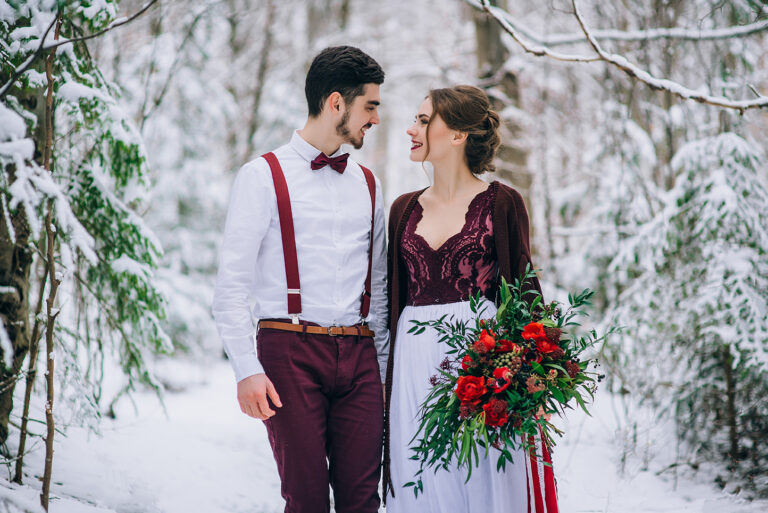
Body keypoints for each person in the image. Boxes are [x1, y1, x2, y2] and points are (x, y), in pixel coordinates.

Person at [212, 45, 389, 513]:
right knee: (307, 499)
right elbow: (231, 287)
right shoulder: (261, 176)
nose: (374, 118)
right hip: (288, 350)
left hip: (359, 355)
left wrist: (385, 371)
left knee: (362, 500)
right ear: (337, 103)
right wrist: (246, 369)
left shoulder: (369, 184)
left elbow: (382, 290)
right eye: (369, 105)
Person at [383, 85, 559, 513]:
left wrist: (538, 370)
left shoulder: (502, 202)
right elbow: (390, 300)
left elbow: (524, 288)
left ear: (458, 134)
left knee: (484, 477)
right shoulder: (402, 209)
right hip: (413, 364)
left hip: (481, 360)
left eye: (424, 121)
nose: (412, 129)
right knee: (421, 475)